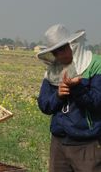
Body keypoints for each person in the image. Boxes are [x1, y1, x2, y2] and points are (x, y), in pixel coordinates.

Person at [37, 24, 101, 172]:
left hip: (87, 145)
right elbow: (44, 105)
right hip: (59, 143)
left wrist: (76, 88)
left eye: (63, 48)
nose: (60, 55)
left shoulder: (95, 64)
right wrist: (58, 95)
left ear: (72, 45)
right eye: (55, 51)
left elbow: (97, 102)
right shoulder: (53, 71)